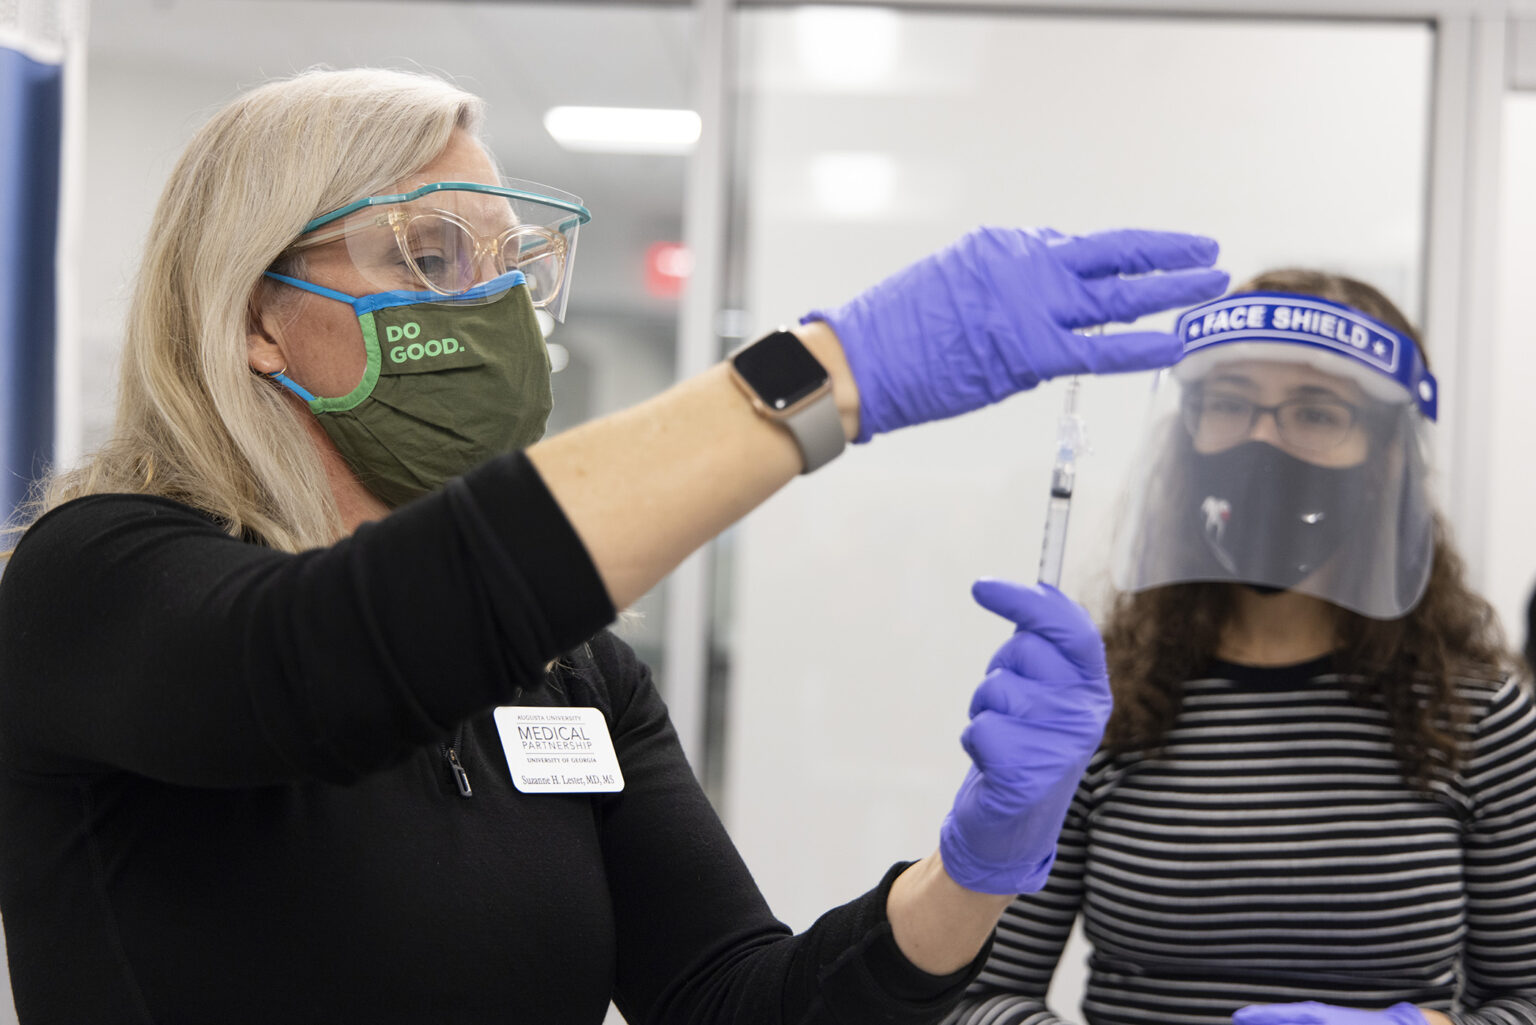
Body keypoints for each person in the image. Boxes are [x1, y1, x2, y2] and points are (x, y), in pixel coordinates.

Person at [0, 67, 1228, 1025]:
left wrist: (972, 871)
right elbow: (320, 665)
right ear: (260, 315)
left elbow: (734, 998)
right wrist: (822, 381)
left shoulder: (567, 670)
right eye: (430, 254)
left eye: (513, 265)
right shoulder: (97, 577)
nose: (490, 303)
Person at [944, 270, 1536, 1025]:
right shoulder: (1098, 699)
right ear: (1187, 432)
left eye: (1315, 412)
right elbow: (976, 992)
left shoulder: (1479, 716)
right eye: (1229, 404)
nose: (1263, 438)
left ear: (1388, 458)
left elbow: (1525, 997)